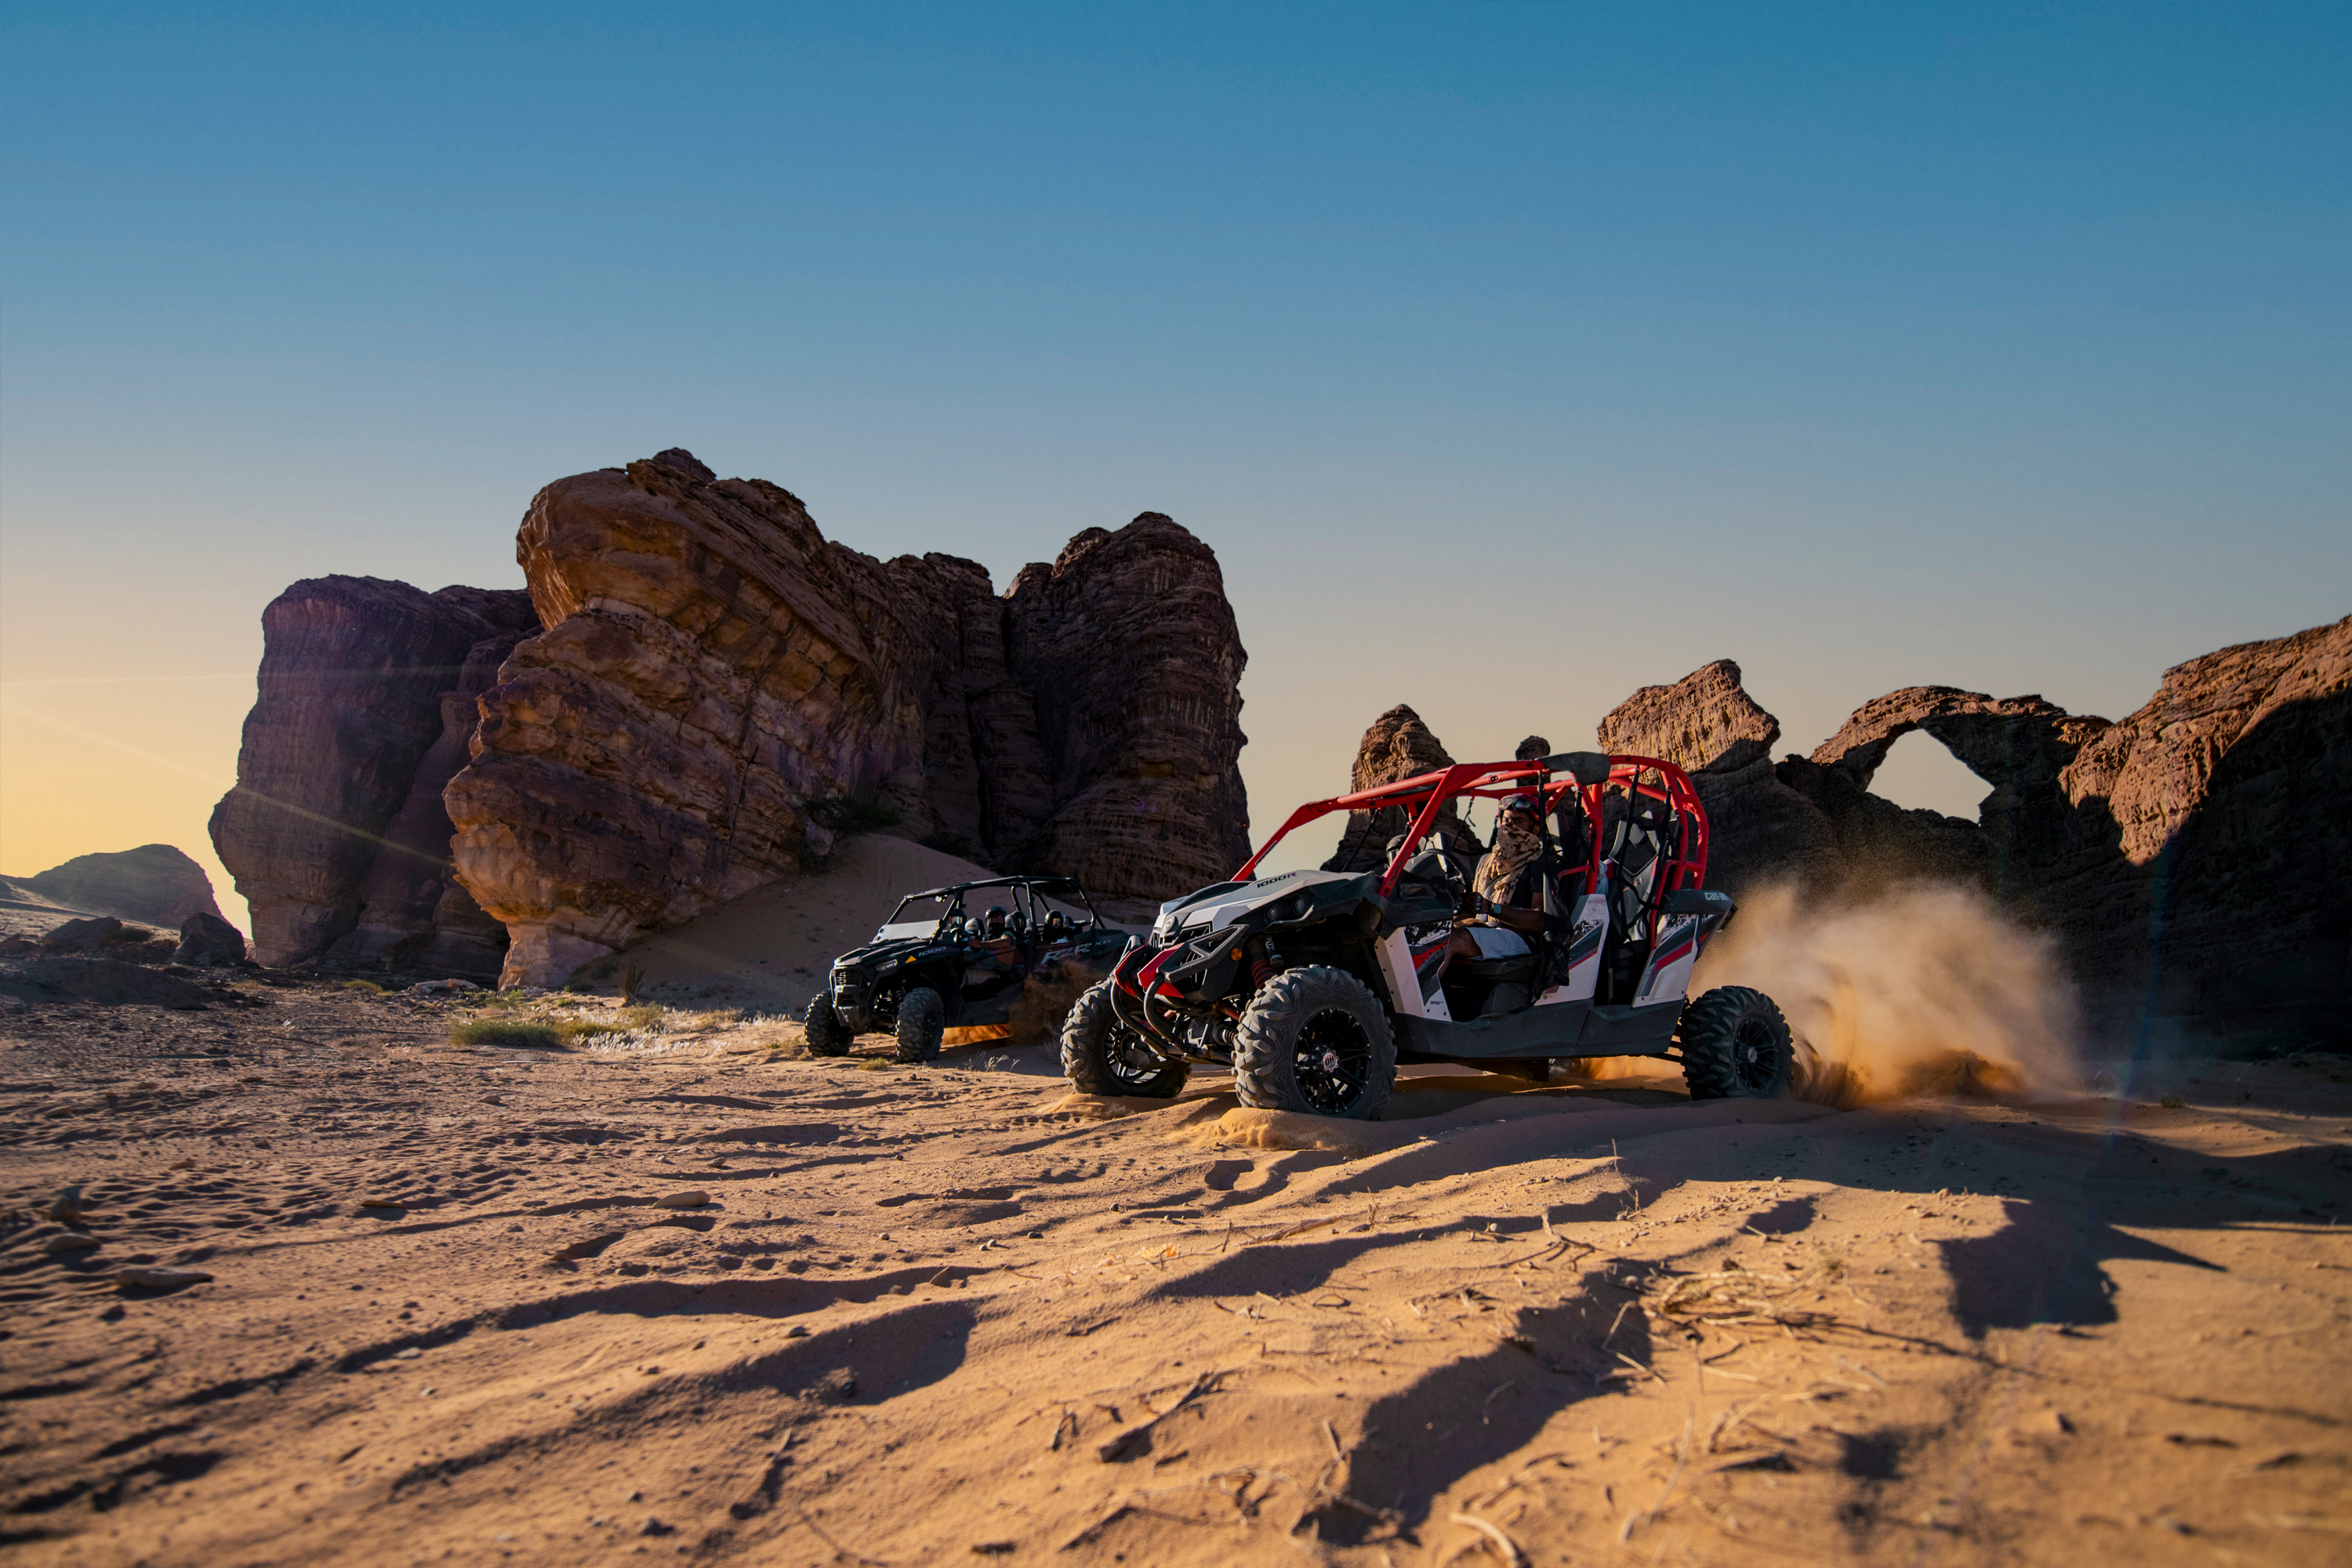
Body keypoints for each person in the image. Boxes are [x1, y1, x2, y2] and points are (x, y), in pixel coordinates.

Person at [1448, 795, 1548, 963]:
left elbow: (1539, 920)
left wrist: (1492, 908)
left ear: (1536, 829)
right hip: (1481, 929)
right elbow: (1472, 908)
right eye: (1506, 820)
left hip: (1518, 936)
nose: (1510, 825)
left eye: (1518, 821)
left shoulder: (1539, 862)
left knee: (1453, 940)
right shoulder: (1486, 861)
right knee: (1430, 937)